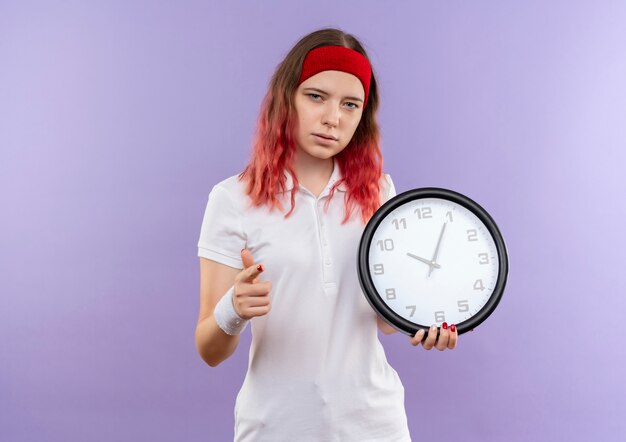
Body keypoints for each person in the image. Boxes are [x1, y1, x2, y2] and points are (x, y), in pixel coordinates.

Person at [195, 28, 459, 442]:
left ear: (362, 116)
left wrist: (422, 322)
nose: (333, 118)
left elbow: (385, 320)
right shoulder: (232, 199)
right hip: (276, 426)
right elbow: (209, 350)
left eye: (350, 104)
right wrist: (234, 308)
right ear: (287, 99)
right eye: (316, 96)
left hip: (375, 424)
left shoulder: (379, 192)